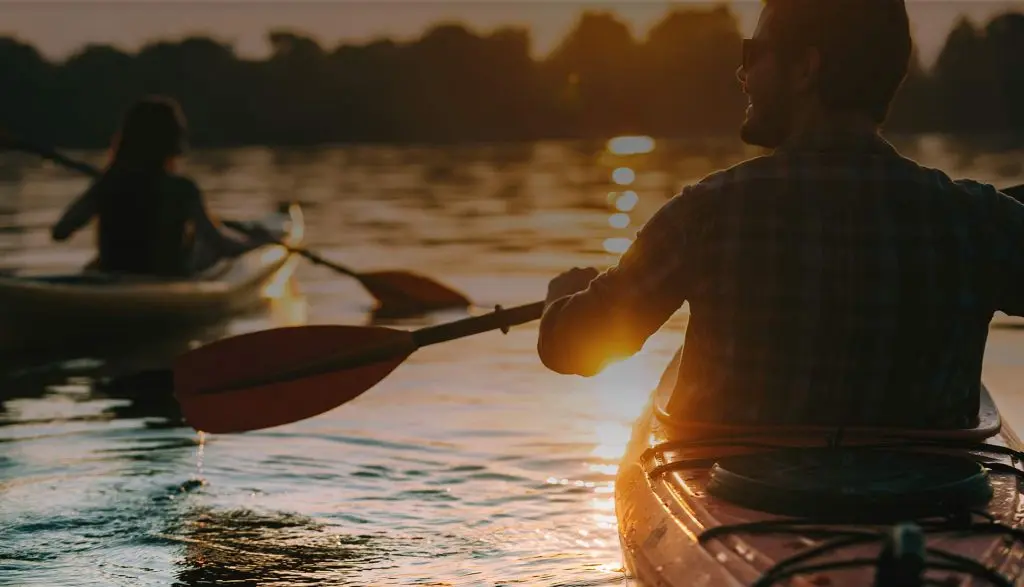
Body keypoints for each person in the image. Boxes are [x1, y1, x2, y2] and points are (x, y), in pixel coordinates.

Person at [537, 0, 1023, 429]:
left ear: (805, 69)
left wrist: (561, 300)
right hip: (933, 504)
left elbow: (572, 347)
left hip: (748, 497)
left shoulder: (706, 214)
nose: (741, 73)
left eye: (753, 53)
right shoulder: (977, 221)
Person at [51, 96, 270, 277]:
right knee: (204, 248)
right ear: (173, 141)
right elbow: (221, 246)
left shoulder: (108, 183)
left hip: (113, 277)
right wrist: (258, 243)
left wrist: (101, 187)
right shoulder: (183, 189)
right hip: (166, 281)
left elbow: (60, 231)